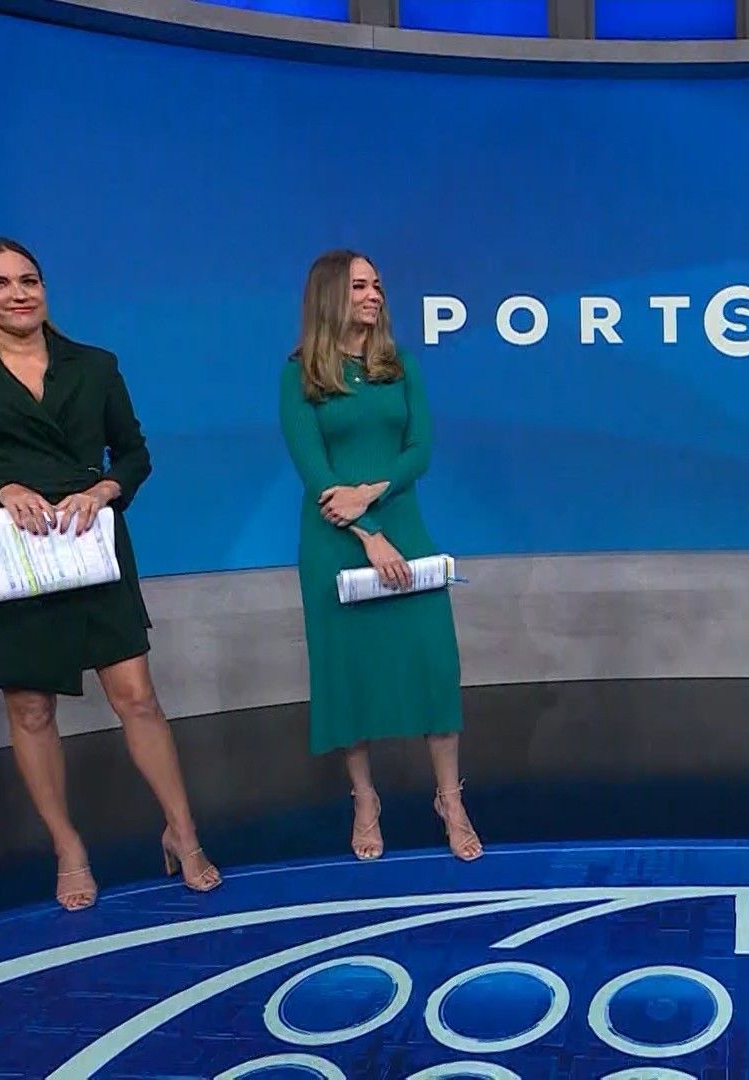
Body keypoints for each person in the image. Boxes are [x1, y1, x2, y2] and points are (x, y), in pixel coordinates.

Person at [0, 237, 222, 911]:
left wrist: (105, 489)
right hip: (9, 554)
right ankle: (68, 849)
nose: (19, 294)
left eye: (29, 280)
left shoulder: (95, 365)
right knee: (30, 708)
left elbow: (133, 454)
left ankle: (182, 831)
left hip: (88, 542)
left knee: (137, 696)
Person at [277, 248, 481, 863]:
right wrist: (367, 533)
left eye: (377, 286)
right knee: (350, 672)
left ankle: (450, 799)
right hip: (335, 538)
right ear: (329, 295)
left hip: (403, 523)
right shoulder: (300, 375)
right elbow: (316, 473)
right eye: (360, 286)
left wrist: (373, 493)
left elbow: (420, 449)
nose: (374, 296)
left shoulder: (399, 365)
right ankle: (365, 799)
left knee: (433, 664)